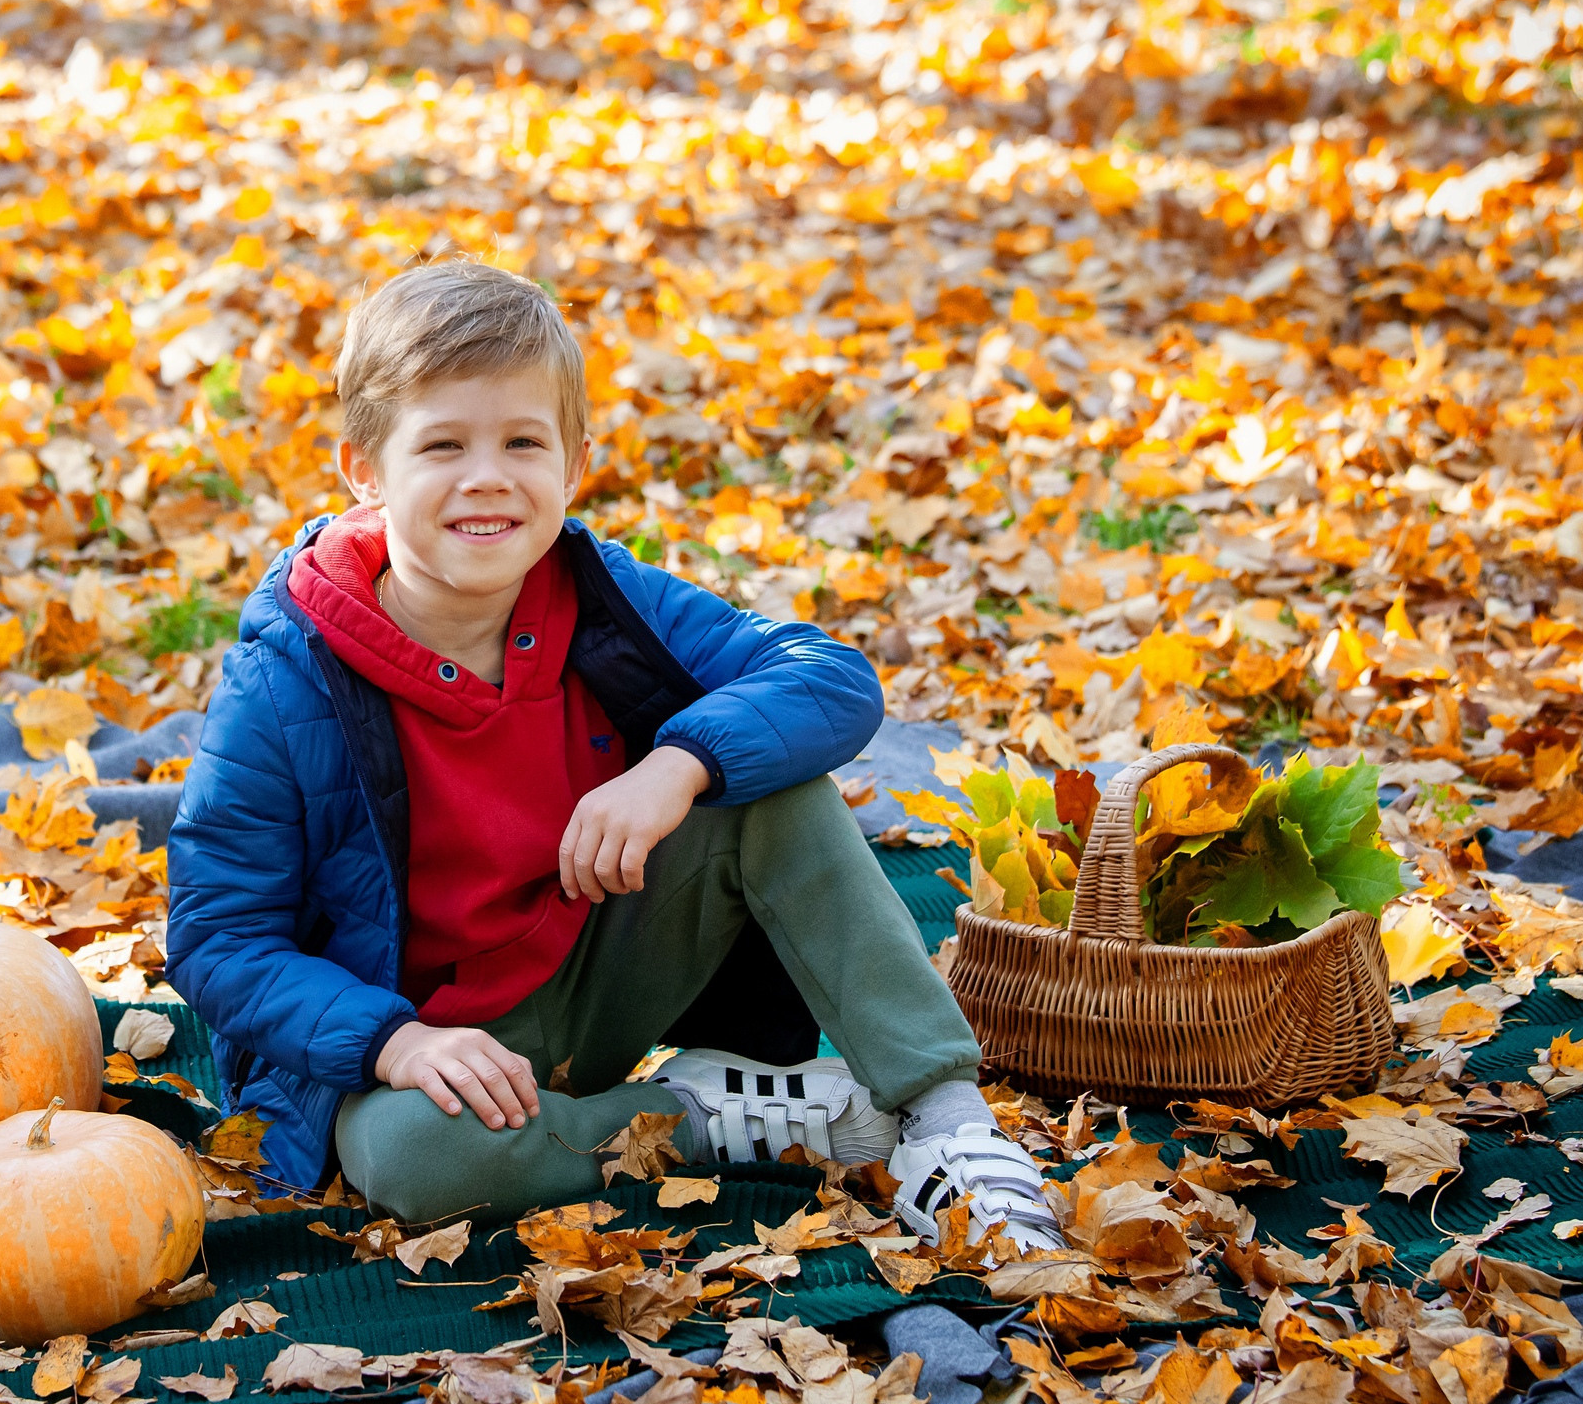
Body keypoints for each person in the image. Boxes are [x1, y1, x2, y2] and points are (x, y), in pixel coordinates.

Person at [165, 258, 1059, 1247]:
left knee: (765, 777)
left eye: (521, 441)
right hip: (420, 1040)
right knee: (412, 1162)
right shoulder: (287, 677)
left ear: (573, 461)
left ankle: (943, 1124)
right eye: (443, 445)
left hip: (597, 965)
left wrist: (673, 767)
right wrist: (393, 1042)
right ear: (365, 471)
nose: (487, 476)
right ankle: (707, 1119)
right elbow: (219, 939)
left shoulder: (599, 594)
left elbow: (827, 675)